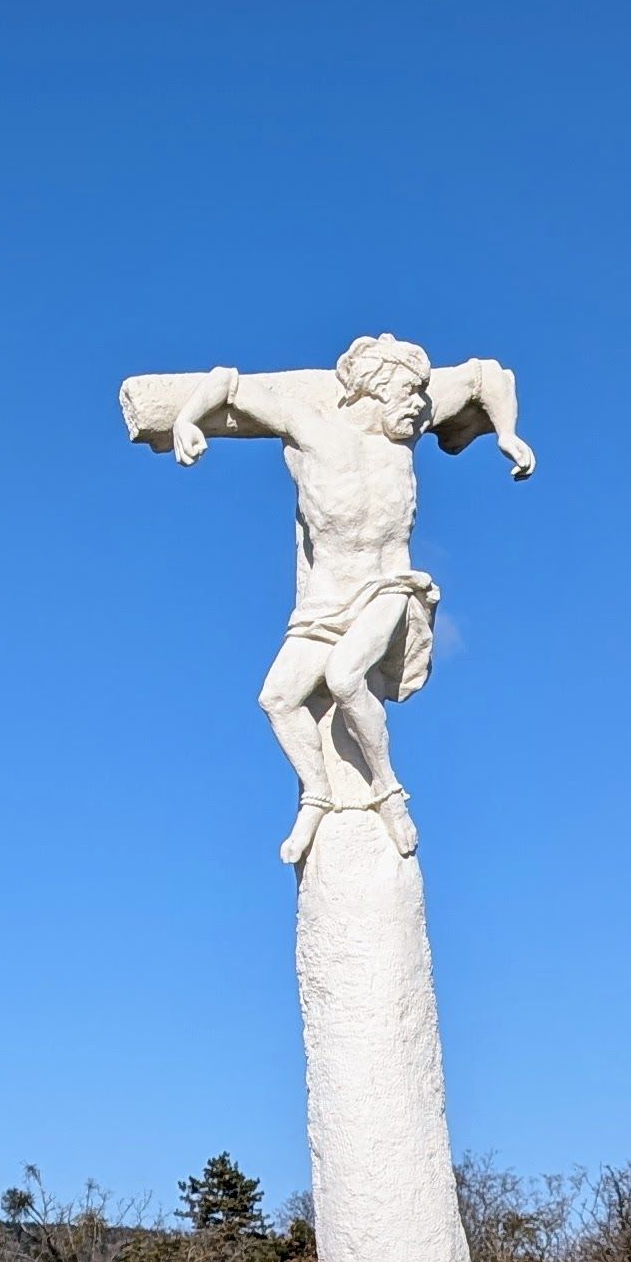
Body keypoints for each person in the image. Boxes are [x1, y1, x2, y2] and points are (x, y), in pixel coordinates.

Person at [140, 336, 533, 865]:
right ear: (369, 391)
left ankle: (390, 793)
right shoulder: (312, 429)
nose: (418, 406)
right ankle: (316, 793)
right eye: (405, 396)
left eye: (421, 397)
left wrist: (507, 433)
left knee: (346, 676)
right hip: (324, 603)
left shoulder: (406, 430)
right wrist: (187, 418)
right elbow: (227, 382)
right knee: (276, 699)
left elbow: (489, 376)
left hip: (388, 586)